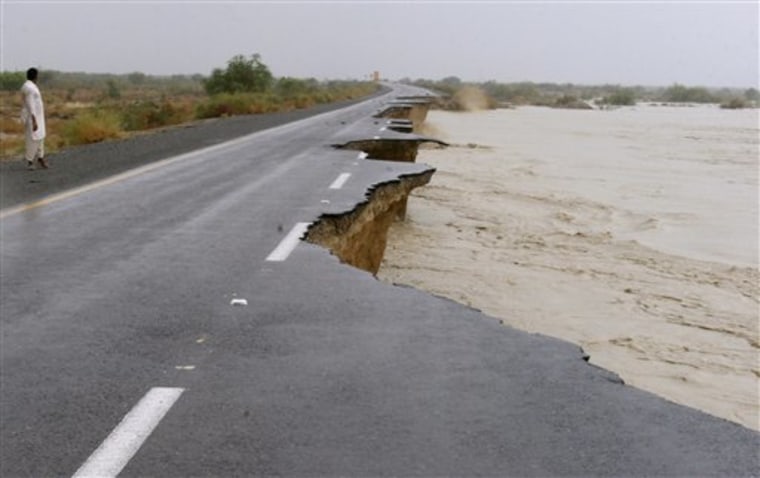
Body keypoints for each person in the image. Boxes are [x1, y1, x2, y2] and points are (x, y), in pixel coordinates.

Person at [20, 67, 48, 170]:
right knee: (32, 139)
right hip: (33, 117)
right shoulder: (29, 88)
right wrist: (34, 120)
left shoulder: (31, 86)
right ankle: (30, 161)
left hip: (38, 117)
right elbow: (30, 104)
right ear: (35, 76)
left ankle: (41, 157)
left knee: (40, 137)